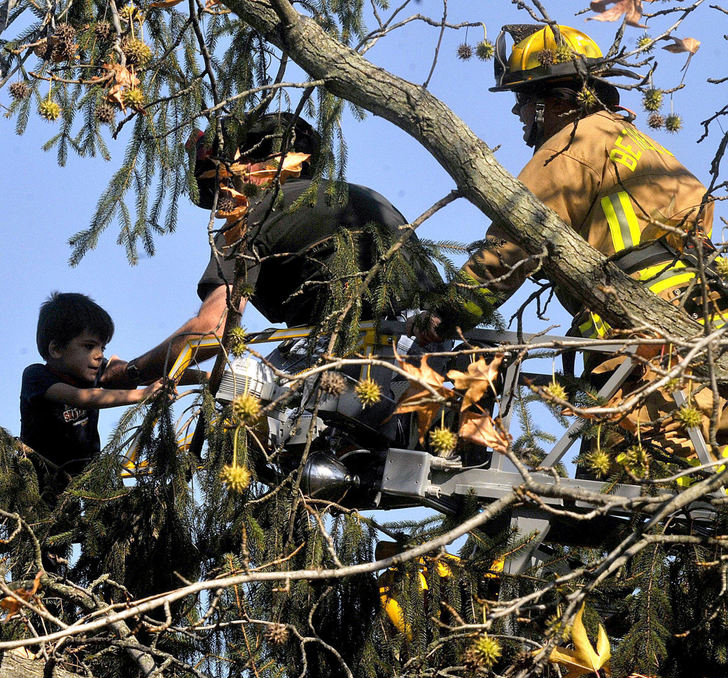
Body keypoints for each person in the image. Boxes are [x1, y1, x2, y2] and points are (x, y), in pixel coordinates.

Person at [413, 24, 728, 466]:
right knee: (700, 471)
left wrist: (448, 314)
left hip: (638, 339)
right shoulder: (643, 147)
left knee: (632, 475)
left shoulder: (573, 144)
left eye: (523, 100)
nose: (519, 113)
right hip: (702, 326)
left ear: (556, 100)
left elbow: (515, 243)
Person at [103, 112, 443, 387]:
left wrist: (132, 372)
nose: (223, 198)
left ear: (250, 164)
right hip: (438, 350)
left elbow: (212, 329)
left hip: (358, 349)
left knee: (241, 389)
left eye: (222, 179)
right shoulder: (358, 196)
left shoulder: (251, 215)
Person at [20, 292, 167, 496]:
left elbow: (146, 372)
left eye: (102, 347)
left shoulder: (94, 371)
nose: (99, 355)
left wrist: (204, 376)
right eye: (89, 346)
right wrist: (143, 395)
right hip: (40, 482)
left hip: (85, 475)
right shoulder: (36, 376)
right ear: (56, 349)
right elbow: (83, 398)